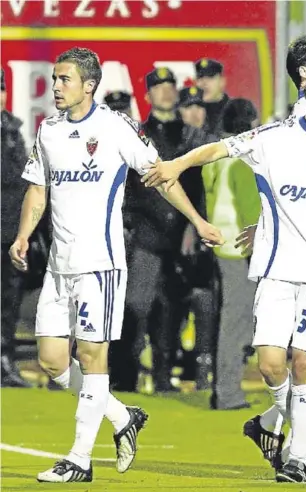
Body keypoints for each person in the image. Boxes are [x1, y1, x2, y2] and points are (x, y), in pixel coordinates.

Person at [141, 62, 306, 483]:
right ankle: (293, 428)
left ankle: (299, 454)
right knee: (270, 365)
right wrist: (176, 165)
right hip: (276, 270)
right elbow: (219, 149)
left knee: (305, 361)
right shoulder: (274, 138)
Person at [9, 47, 223, 483]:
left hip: (101, 265)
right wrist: (24, 235)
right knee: (52, 361)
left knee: (92, 357)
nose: (55, 87)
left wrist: (198, 221)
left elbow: (159, 175)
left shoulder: (115, 127)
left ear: (89, 85)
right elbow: (37, 190)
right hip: (58, 266)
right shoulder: (48, 131)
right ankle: (122, 415)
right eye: (54, 79)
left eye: (63, 79)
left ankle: (80, 459)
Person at [124, 67, 219, 392]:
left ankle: (163, 374)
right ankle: (129, 370)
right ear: (147, 95)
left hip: (181, 236)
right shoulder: (135, 133)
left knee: (174, 307)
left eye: (169, 86)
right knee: (138, 305)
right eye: (158, 86)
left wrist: (196, 224)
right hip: (147, 234)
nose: (165, 91)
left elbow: (199, 185)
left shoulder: (190, 136)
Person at [203, 98, 261, 410]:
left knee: (229, 320)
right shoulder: (243, 161)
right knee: (235, 323)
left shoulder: (215, 156)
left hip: (219, 245)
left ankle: (222, 388)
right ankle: (228, 393)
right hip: (240, 249)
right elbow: (251, 213)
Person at [1, 67, 31, 388]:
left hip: (9, 231)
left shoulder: (13, 131)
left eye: (2, 89)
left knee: (7, 302)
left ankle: (4, 360)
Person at [195, 58, 230, 135]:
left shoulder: (236, 110)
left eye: (210, 77)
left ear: (222, 81)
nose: (204, 83)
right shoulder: (187, 112)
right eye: (200, 78)